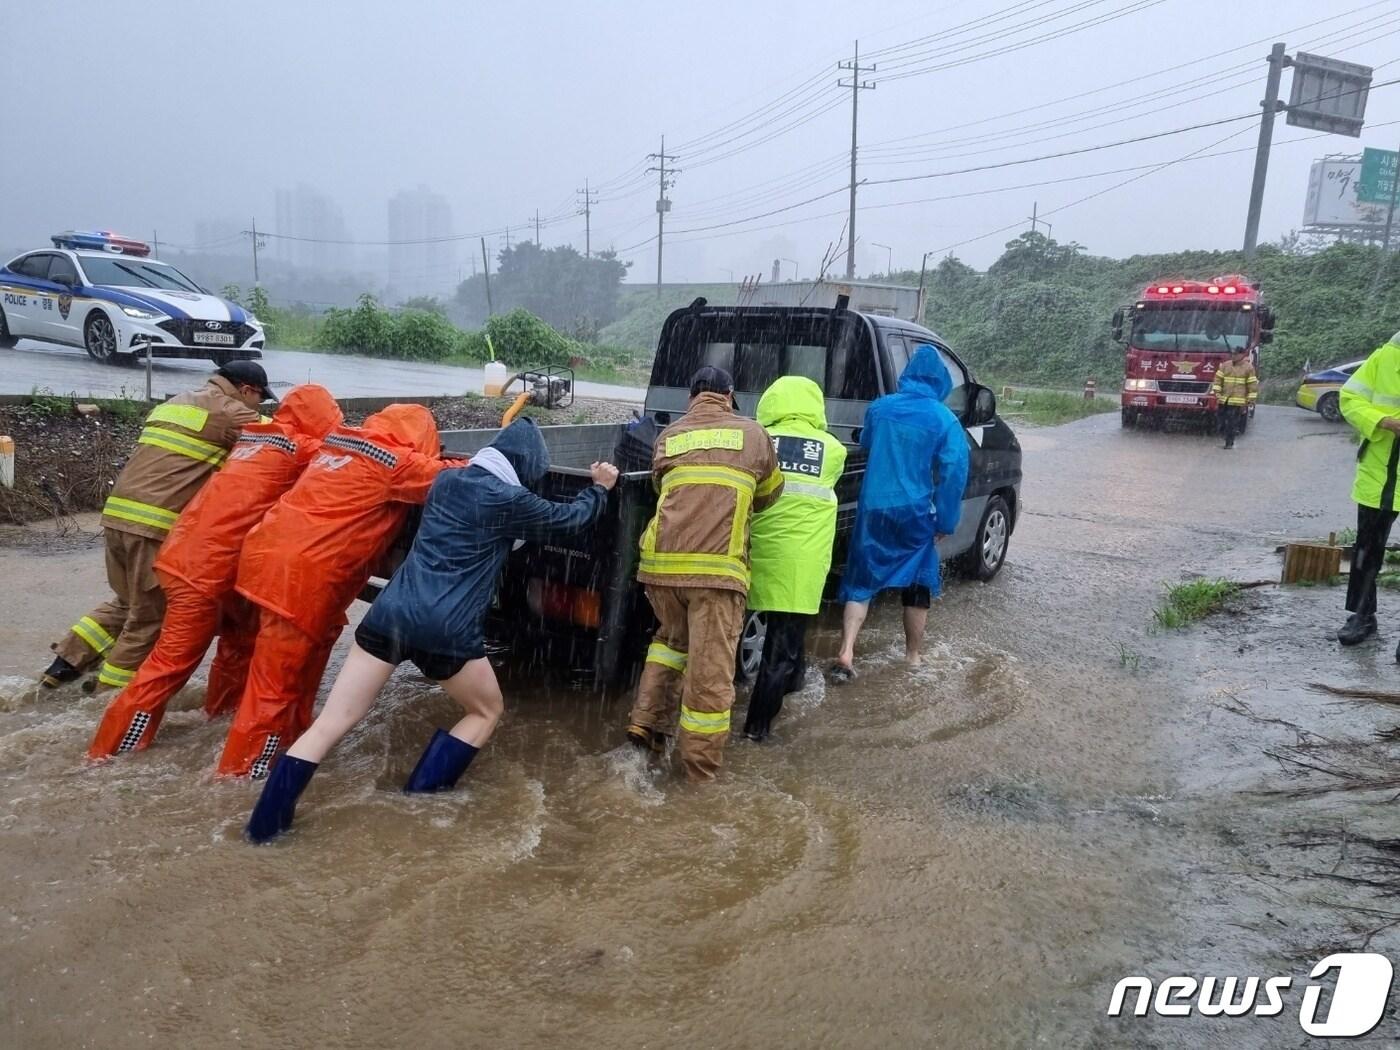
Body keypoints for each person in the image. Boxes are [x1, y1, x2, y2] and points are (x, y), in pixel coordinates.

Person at [244, 418, 617, 843]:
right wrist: (599, 488)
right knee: (485, 711)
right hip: (446, 631)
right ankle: (419, 805)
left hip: (389, 617)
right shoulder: (508, 500)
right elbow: (567, 520)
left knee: (332, 721)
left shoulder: (445, 483)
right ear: (525, 467)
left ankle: (263, 828)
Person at [87, 385, 342, 759]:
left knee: (237, 643)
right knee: (169, 665)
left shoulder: (253, 439)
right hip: (203, 572)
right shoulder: (298, 449)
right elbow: (349, 458)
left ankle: (217, 715)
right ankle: (107, 752)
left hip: (191, 559)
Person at [216, 403, 455, 779]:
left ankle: (283, 744)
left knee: (278, 672)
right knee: (273, 689)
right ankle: (239, 778)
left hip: (262, 563)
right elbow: (457, 480)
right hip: (298, 581)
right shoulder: (393, 462)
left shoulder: (339, 444)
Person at [41, 362, 274, 693]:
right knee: (151, 615)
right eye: (259, 400)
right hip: (153, 525)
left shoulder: (177, 401)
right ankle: (106, 700)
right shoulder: (229, 411)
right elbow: (287, 433)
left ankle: (62, 666)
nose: (257, 407)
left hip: (117, 516)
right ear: (247, 390)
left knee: (127, 602)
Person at [625, 366, 783, 781]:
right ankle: (699, 773)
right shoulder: (754, 435)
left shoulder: (668, 436)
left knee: (669, 643)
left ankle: (647, 723)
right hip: (715, 573)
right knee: (710, 673)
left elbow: (666, 491)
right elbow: (768, 495)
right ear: (730, 396)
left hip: (660, 569)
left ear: (690, 398)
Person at [831, 345, 969, 679]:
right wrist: (946, 521)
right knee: (918, 583)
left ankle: (846, 652)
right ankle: (912, 657)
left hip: (873, 508)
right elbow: (954, 472)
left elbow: (866, 441)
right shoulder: (944, 419)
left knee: (861, 578)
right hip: (915, 511)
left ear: (907, 376)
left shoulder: (881, 408)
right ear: (940, 382)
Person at [743, 376, 847, 742]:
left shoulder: (755, 441)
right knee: (781, 646)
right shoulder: (834, 450)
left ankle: (792, 684)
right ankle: (757, 730)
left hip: (754, 553)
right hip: (801, 562)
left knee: (744, 637)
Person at [1338, 331, 1400, 650]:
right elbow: (1350, 399)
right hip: (1379, 475)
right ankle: (1362, 614)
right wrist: (1383, 421)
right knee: (1367, 550)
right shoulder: (1385, 357)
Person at [1211, 344, 1258, 449]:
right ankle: (1225, 435)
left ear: (1242, 354)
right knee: (1221, 422)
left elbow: (1252, 385)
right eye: (1232, 354)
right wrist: (1217, 393)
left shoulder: (1248, 368)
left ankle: (1229, 442)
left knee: (1232, 423)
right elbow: (1218, 380)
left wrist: (1250, 400)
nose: (1233, 356)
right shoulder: (1225, 365)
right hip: (1224, 400)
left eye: (1235, 354)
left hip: (1237, 402)